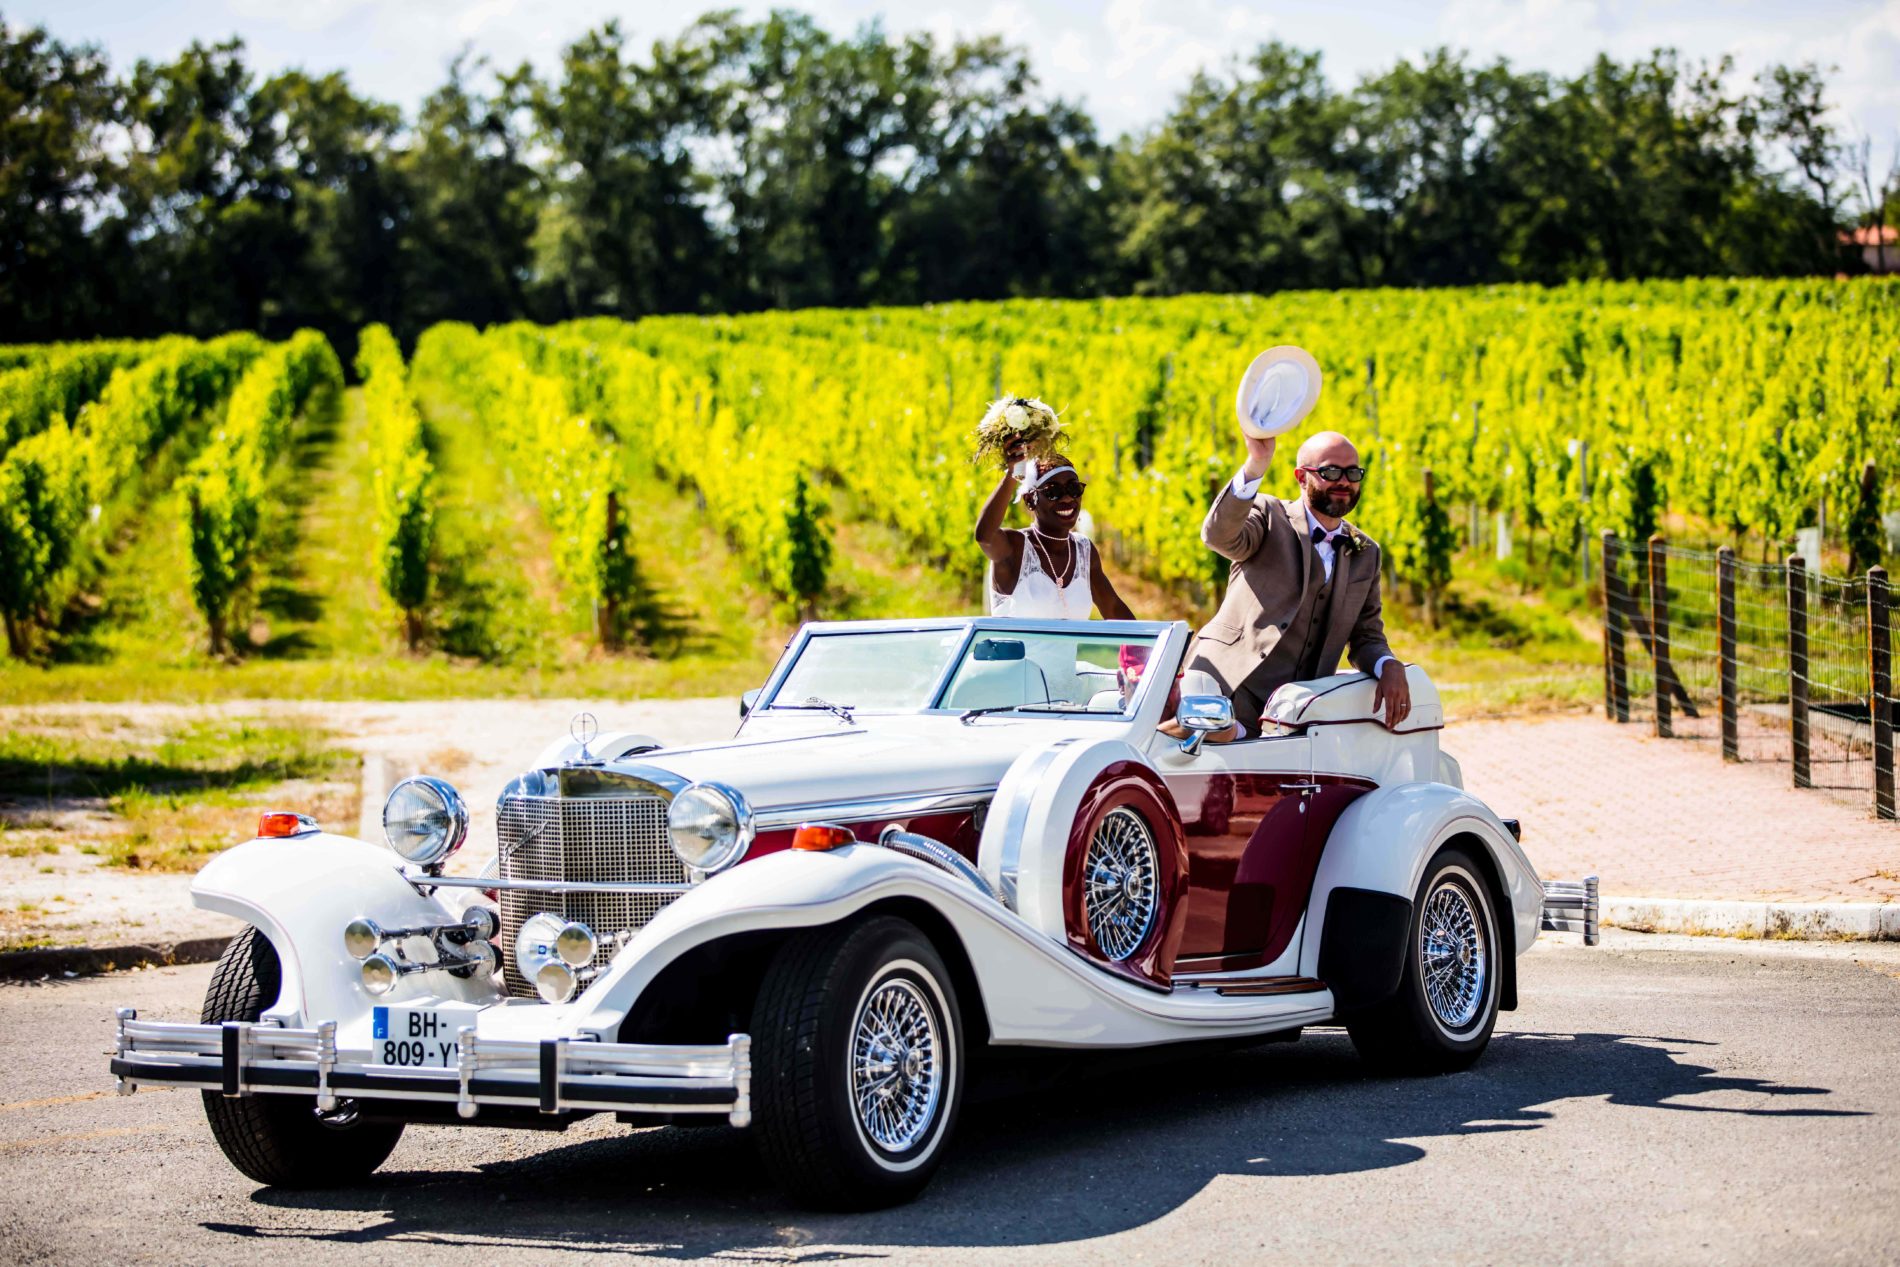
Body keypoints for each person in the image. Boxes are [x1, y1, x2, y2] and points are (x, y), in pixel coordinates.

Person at [1182, 428, 1410, 738]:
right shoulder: (1268, 515)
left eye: (1353, 473)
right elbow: (1218, 536)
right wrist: (1256, 464)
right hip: (1225, 688)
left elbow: (1366, 635)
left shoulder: (1365, 552)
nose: (1344, 481)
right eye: (1330, 471)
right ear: (1301, 477)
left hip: (1295, 715)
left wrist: (1388, 664)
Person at [975, 439, 1133, 621]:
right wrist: (1013, 473)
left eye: (1074, 489)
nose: (1067, 498)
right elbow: (984, 536)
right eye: (1053, 491)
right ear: (1030, 500)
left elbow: (1112, 607)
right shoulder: (1015, 546)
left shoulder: (1084, 550)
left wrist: (1152, 642)